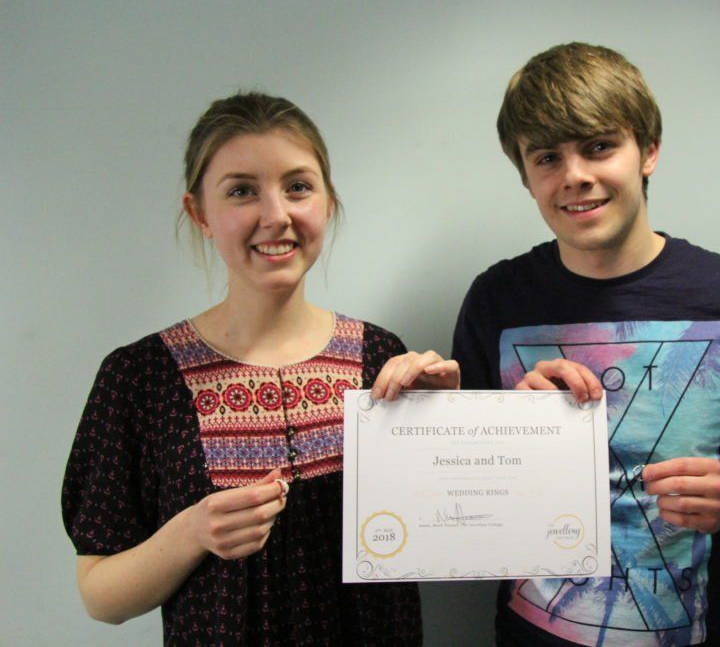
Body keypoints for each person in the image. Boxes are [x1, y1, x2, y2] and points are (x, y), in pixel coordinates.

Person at [451, 43, 720, 646]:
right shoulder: (496, 299)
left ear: (648, 151)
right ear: (526, 178)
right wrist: (497, 426)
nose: (575, 175)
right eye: (548, 157)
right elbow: (464, 489)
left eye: (599, 146)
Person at [61, 92, 457, 644]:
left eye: (297, 186)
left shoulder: (379, 356)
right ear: (199, 213)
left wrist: (448, 426)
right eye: (242, 191)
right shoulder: (139, 379)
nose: (276, 216)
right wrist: (191, 533)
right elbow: (100, 596)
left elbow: (443, 531)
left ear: (327, 202)